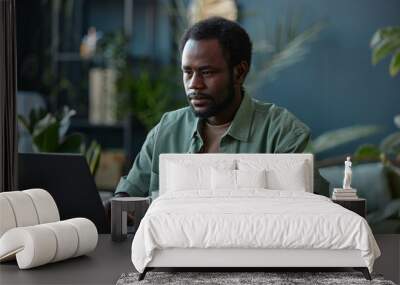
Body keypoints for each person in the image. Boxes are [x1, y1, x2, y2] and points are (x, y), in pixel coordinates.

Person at [113, 17, 328, 199]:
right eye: (188, 72)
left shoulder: (282, 133)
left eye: (207, 72)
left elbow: (316, 212)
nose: (194, 84)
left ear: (239, 72)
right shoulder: (166, 129)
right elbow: (126, 200)